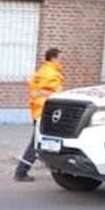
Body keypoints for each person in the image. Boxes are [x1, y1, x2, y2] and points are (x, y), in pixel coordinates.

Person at [14, 48, 65, 182]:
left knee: (45, 141)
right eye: (60, 58)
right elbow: (57, 94)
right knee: (38, 143)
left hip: (37, 111)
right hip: (47, 113)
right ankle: (21, 171)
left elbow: (34, 92)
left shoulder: (40, 72)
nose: (62, 61)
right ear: (54, 58)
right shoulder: (52, 74)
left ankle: (60, 169)